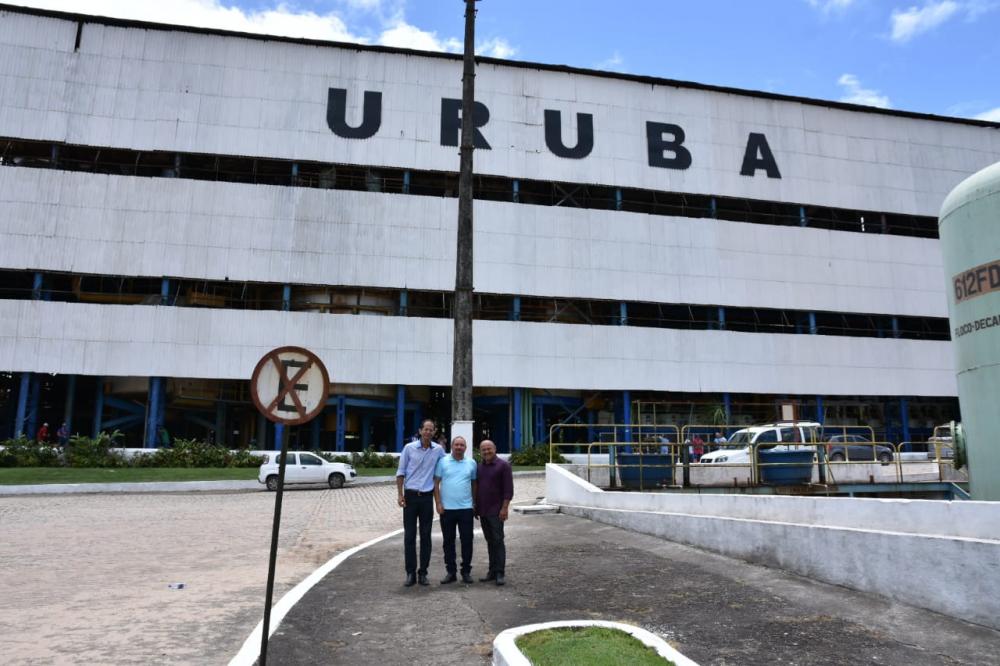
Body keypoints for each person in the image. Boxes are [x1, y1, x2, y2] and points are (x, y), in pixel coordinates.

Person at [396, 419, 445, 587]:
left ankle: (423, 572)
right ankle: (410, 573)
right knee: (409, 536)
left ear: (434, 432)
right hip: (410, 497)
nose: (428, 432)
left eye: (431, 430)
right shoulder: (409, 448)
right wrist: (400, 495)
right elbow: (400, 472)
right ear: (420, 431)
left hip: (426, 498)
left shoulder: (438, 450)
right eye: (426, 429)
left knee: (426, 536)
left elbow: (446, 467)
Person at [433, 436, 477, 584]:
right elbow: (436, 483)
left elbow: (474, 484)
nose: (459, 447)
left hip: (466, 509)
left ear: (465, 448)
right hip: (447, 509)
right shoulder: (442, 462)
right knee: (448, 542)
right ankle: (451, 572)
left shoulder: (471, 463)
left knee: (467, 541)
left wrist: (474, 502)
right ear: (451, 446)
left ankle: (466, 571)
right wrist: (438, 503)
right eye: (456, 445)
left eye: (462, 445)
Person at [475, 439, 513, 586]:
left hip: (497, 511)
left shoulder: (504, 466)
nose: (486, 451)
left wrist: (504, 508)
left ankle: (499, 573)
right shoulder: (479, 467)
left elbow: (508, 490)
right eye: (483, 449)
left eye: (489, 448)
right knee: (490, 541)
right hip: (483, 511)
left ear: (495, 449)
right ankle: (492, 571)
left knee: (498, 541)